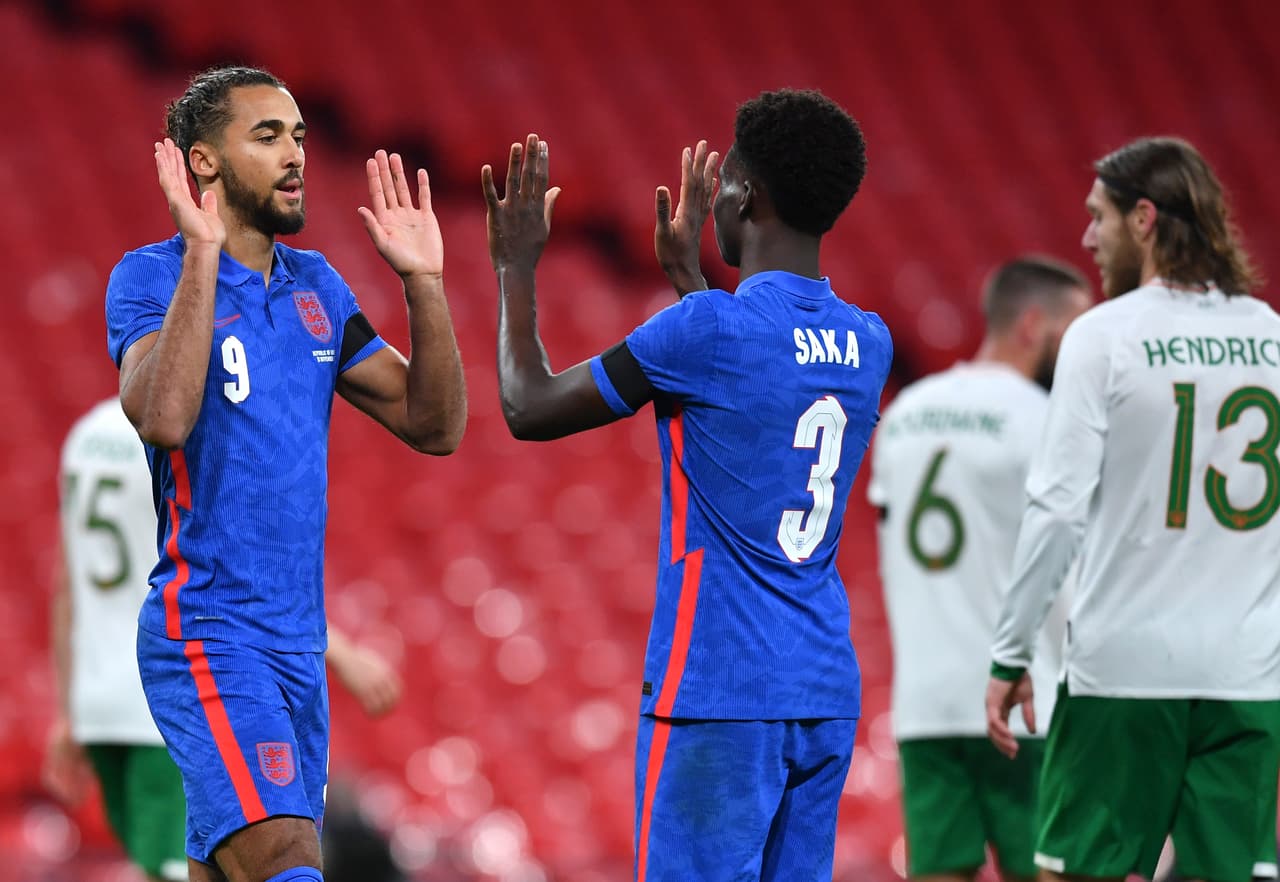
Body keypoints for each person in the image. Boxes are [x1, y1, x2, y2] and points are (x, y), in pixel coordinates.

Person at [481, 89, 892, 881]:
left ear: (742, 196)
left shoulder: (705, 330)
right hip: (823, 688)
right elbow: (760, 377)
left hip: (719, 685)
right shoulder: (868, 341)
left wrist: (515, 265)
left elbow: (528, 406)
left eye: (729, 184)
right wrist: (689, 279)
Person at [104, 65, 466, 882]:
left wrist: (426, 285)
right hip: (208, 633)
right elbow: (161, 416)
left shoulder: (318, 289)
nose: (294, 154)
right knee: (292, 860)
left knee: (239, 869)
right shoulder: (148, 276)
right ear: (203, 163)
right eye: (267, 136)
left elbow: (435, 424)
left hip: (297, 649)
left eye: (299, 136)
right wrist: (204, 255)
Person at [986, 136, 1280, 882]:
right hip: (1246, 677)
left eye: (1099, 218)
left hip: (1125, 671)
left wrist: (1012, 652)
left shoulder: (1103, 337)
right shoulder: (1275, 341)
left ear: (1144, 219)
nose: (1087, 237)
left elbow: (1056, 510)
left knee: (1073, 873)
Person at [45, 398, 407, 882]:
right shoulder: (181, 434)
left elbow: (67, 584)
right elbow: (231, 573)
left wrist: (72, 709)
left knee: (158, 868)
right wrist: (342, 653)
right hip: (170, 698)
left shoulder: (85, 436)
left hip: (102, 708)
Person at [867, 257, 1091, 882]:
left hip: (926, 705)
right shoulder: (1047, 420)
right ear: (1032, 323)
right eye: (1075, 330)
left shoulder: (906, 412)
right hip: (1031, 703)